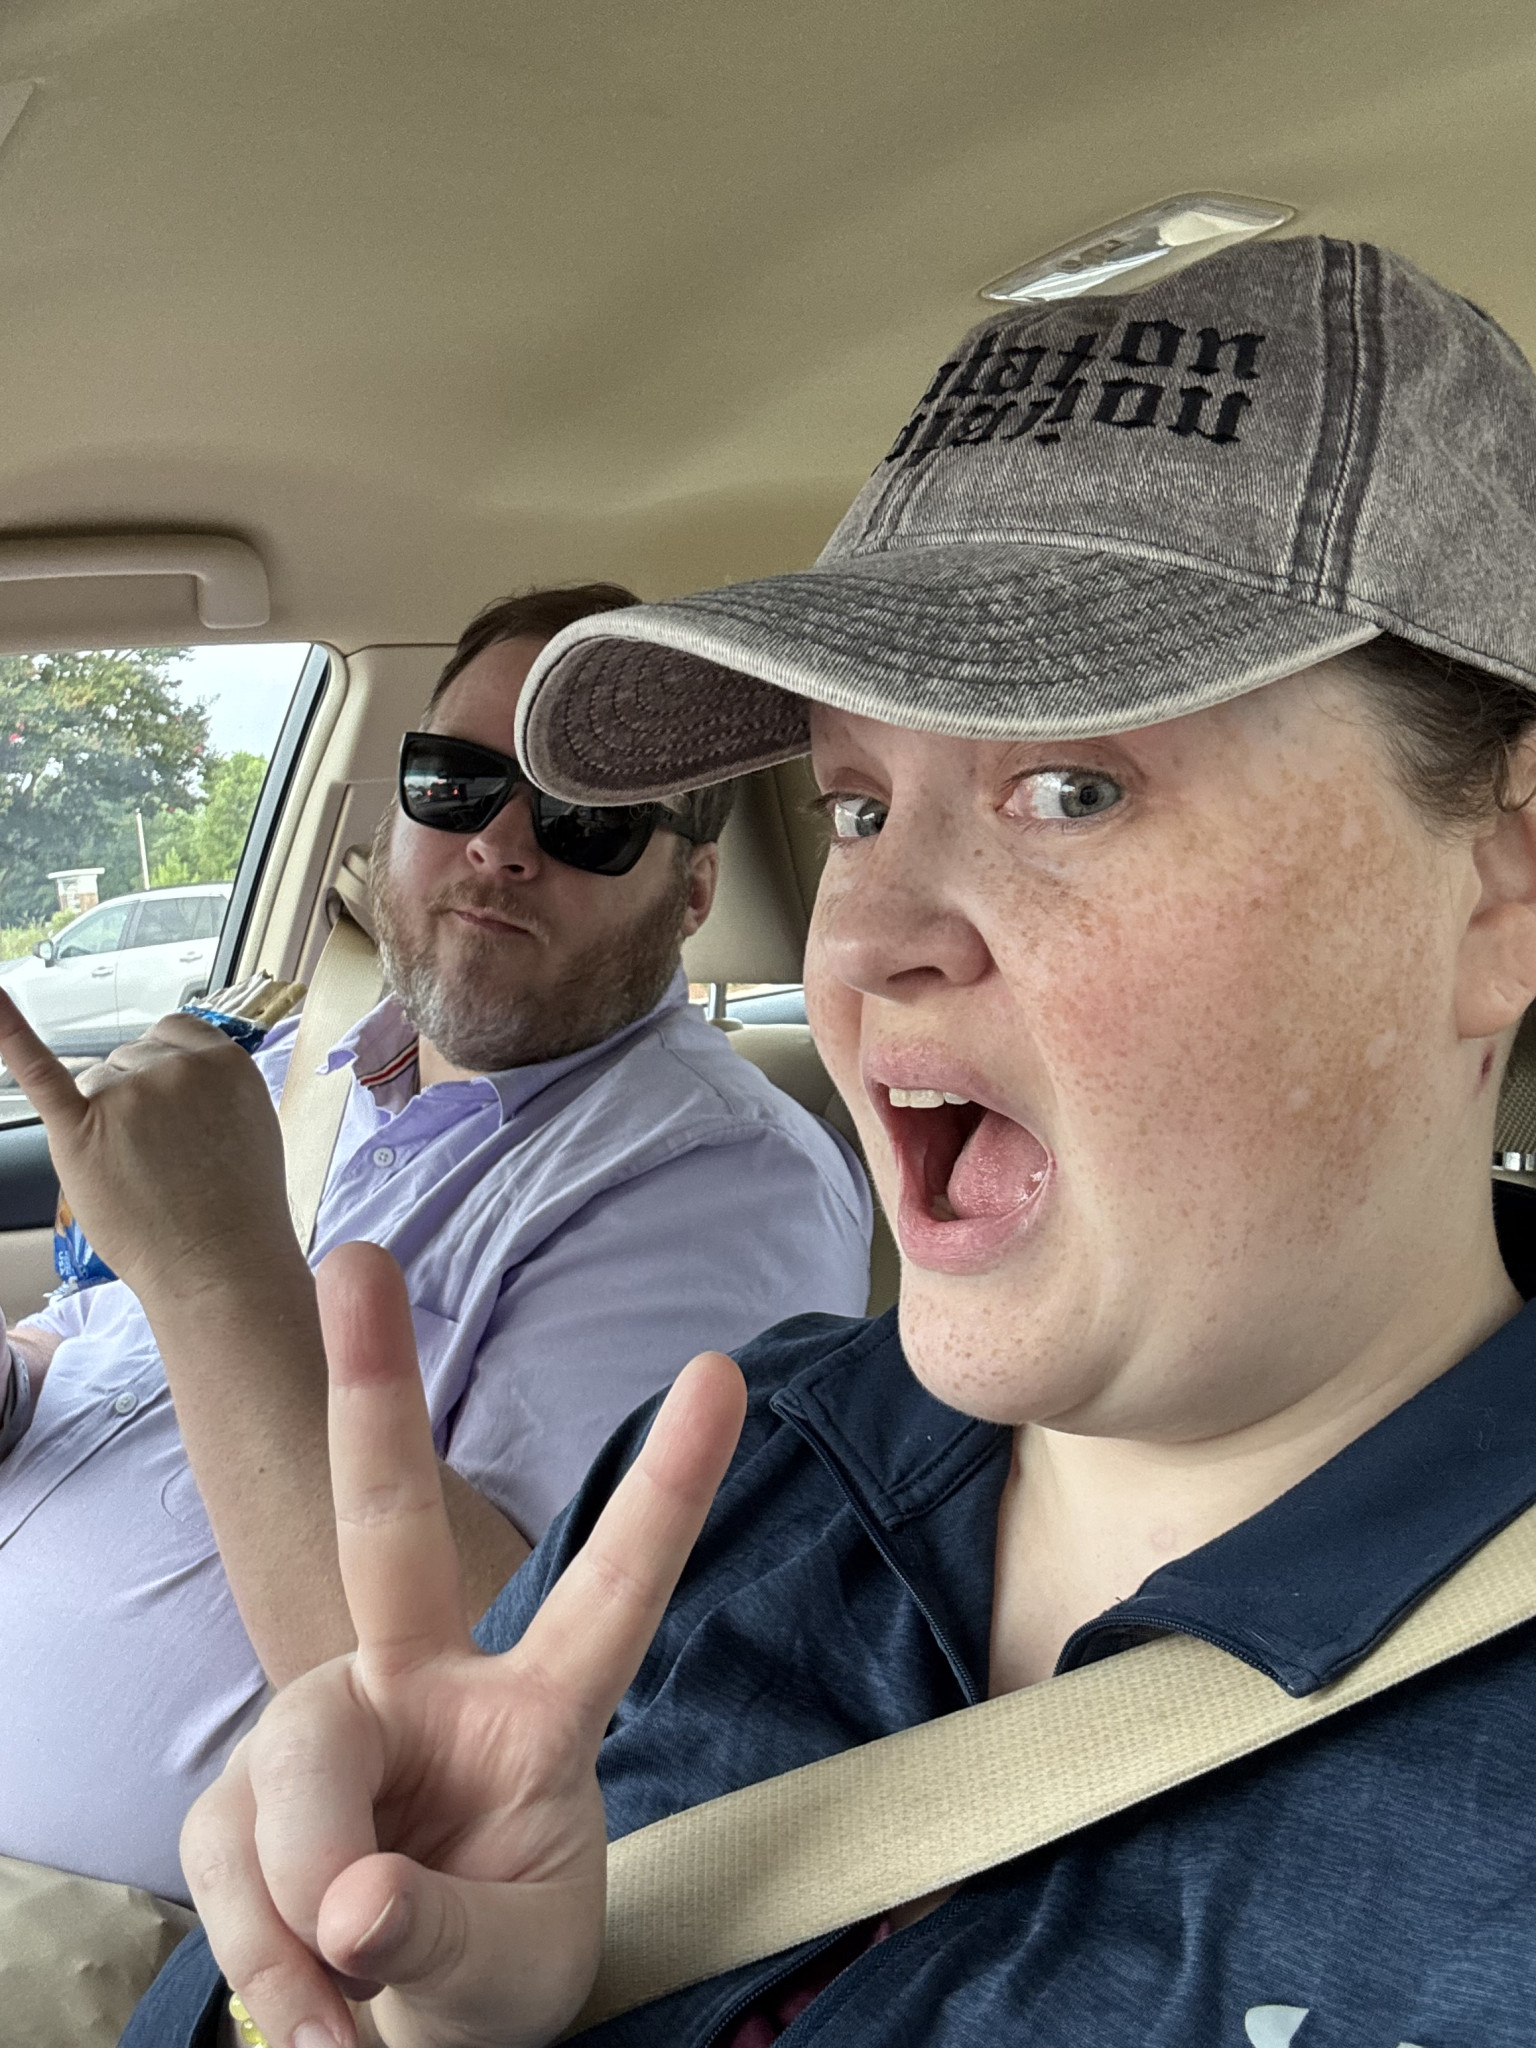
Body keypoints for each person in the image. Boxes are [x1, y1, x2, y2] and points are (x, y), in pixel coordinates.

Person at [116, 235, 1536, 2045]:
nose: (861, 944)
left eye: (1069, 787)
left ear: (1504, 887)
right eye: (857, 804)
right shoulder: (739, 1462)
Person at [0, 581, 872, 1907]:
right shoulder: (294, 1070)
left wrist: (214, 1268)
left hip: (143, 1932)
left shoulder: (730, 1182)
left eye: (587, 815)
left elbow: (506, 1707)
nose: (500, 845)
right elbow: (81, 1348)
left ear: (693, 890)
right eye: (453, 784)